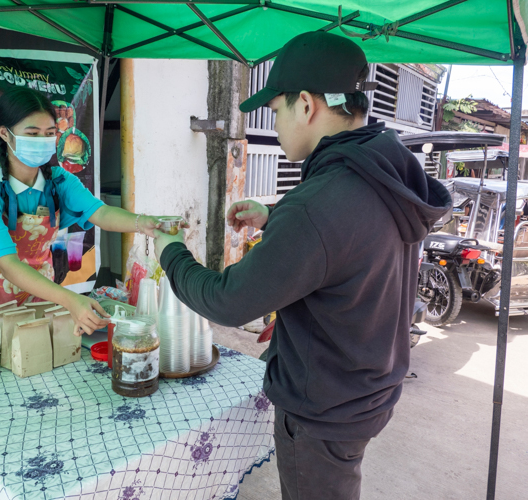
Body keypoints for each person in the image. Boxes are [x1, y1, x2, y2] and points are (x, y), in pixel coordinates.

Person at [154, 31, 452, 499]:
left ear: (307, 106)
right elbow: (353, 243)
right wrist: (275, 219)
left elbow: (229, 301)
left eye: (275, 112)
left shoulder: (320, 201)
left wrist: (171, 252)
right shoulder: (382, 170)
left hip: (326, 408)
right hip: (369, 387)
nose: (274, 127)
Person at [0, 87, 167, 336]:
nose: (42, 140)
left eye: (49, 133)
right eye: (32, 133)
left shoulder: (59, 181)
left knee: (41, 353)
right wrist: (71, 300)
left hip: (43, 290)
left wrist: (142, 223)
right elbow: (8, 265)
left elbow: (100, 213)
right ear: (5, 133)